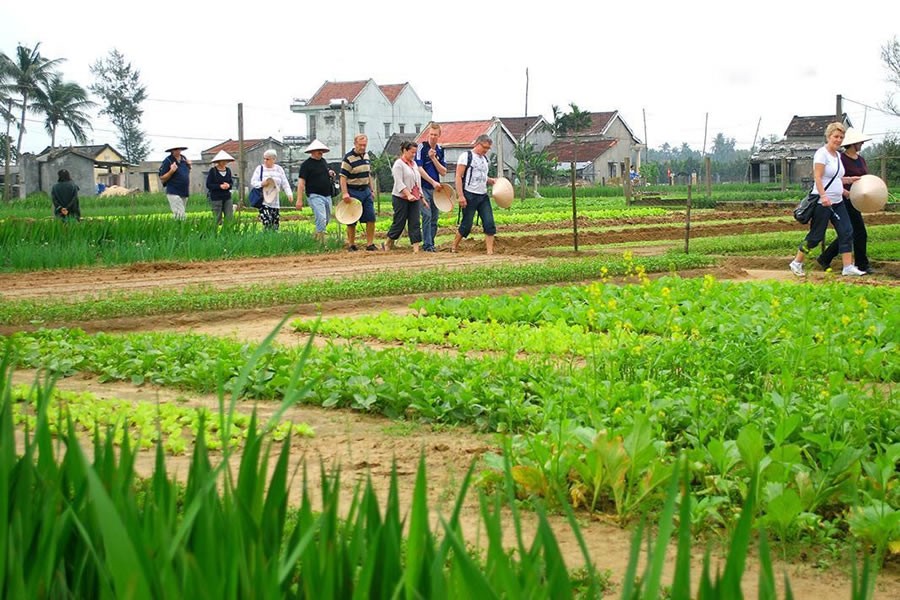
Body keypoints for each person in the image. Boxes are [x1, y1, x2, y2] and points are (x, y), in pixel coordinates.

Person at [789, 122, 866, 277]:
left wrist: (848, 184)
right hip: (823, 203)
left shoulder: (837, 156)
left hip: (837, 201)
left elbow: (836, 178)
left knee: (847, 232)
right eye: (835, 136)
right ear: (829, 136)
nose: (838, 140)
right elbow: (818, 177)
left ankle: (847, 267)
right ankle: (796, 262)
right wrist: (823, 196)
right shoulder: (821, 154)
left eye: (841, 137)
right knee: (815, 237)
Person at [818, 128, 872, 273]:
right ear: (853, 143)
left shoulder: (861, 160)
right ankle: (862, 264)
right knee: (858, 231)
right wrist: (845, 191)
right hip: (843, 197)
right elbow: (834, 178)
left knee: (850, 231)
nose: (861, 144)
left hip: (858, 198)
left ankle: (826, 257)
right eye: (859, 142)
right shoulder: (841, 159)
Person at [452, 134, 497, 255]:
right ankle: (454, 246)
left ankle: (489, 251)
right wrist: (461, 196)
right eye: (485, 147)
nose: (486, 150)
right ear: (478, 144)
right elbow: (458, 176)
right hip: (469, 194)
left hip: (483, 195)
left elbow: (480, 175)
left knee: (489, 223)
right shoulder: (466, 156)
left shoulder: (484, 159)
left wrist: (490, 180)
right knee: (466, 224)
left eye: (488, 148)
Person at [339, 134, 377, 251]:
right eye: (360, 145)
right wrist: (345, 193)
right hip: (353, 191)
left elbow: (368, 174)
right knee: (351, 220)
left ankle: (370, 244)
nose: (362, 147)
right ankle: (351, 244)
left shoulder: (366, 156)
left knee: (371, 217)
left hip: (365, 190)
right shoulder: (348, 158)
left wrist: (371, 190)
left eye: (364, 145)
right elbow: (343, 177)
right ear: (355, 144)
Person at [385, 141, 423, 252]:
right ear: (405, 151)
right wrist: (408, 194)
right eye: (412, 152)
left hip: (414, 197)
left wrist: (421, 196)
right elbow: (399, 182)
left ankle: (416, 248)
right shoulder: (398, 164)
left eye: (415, 153)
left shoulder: (414, 164)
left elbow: (417, 182)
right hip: (400, 198)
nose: (413, 155)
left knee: (415, 222)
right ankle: (388, 242)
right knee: (399, 222)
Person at [415, 123, 447, 252]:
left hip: (436, 189)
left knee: (434, 216)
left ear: (439, 135)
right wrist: (432, 181)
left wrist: (434, 158)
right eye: (431, 134)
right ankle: (427, 245)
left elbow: (443, 171)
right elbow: (419, 168)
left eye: (435, 135)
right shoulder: (421, 148)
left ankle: (431, 242)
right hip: (424, 186)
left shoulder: (440, 150)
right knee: (427, 215)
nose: (433, 137)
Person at [296, 139, 335, 244]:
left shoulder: (323, 162)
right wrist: (299, 200)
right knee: (321, 218)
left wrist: (330, 173)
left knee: (326, 218)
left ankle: (316, 238)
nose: (321, 152)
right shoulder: (306, 165)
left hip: (327, 195)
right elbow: (301, 183)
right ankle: (322, 242)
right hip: (314, 195)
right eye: (318, 150)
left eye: (321, 150)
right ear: (312, 151)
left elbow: (325, 172)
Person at [250, 149, 292, 231]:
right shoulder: (260, 169)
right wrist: (262, 183)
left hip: (275, 202)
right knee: (267, 223)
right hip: (264, 200)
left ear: (274, 159)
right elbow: (253, 182)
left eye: (268, 159)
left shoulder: (279, 169)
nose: (265, 161)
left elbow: (285, 183)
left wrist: (289, 194)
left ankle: (273, 241)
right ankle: (266, 240)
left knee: (275, 224)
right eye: (264, 158)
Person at [159, 145, 192, 219]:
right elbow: (162, 177)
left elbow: (185, 174)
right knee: (180, 214)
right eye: (175, 150)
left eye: (179, 149)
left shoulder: (184, 160)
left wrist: (189, 166)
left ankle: (175, 227)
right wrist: (171, 171)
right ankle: (182, 228)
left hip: (184, 191)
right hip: (173, 191)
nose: (178, 151)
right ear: (172, 151)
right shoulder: (168, 161)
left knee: (179, 213)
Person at [205, 149, 235, 225]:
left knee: (229, 216)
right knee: (217, 217)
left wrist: (228, 186)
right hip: (216, 197)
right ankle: (216, 232)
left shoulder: (228, 170)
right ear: (218, 161)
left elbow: (231, 183)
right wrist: (219, 186)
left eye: (225, 160)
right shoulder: (213, 171)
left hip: (227, 196)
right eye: (222, 160)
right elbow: (209, 184)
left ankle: (228, 231)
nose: (224, 162)